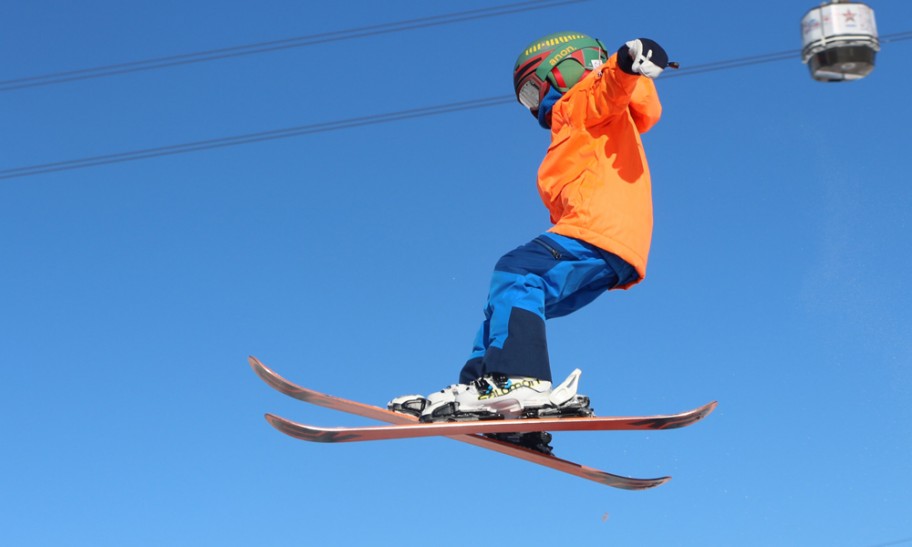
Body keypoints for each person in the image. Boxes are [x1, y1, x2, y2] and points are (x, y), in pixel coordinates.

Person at [390, 31, 670, 429]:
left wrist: (626, 62)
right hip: (611, 245)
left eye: (532, 92)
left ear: (563, 70)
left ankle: (518, 381)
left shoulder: (584, 98)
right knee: (503, 300)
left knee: (517, 271)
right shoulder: (580, 117)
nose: (533, 106)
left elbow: (608, 87)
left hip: (596, 231)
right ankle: (483, 392)